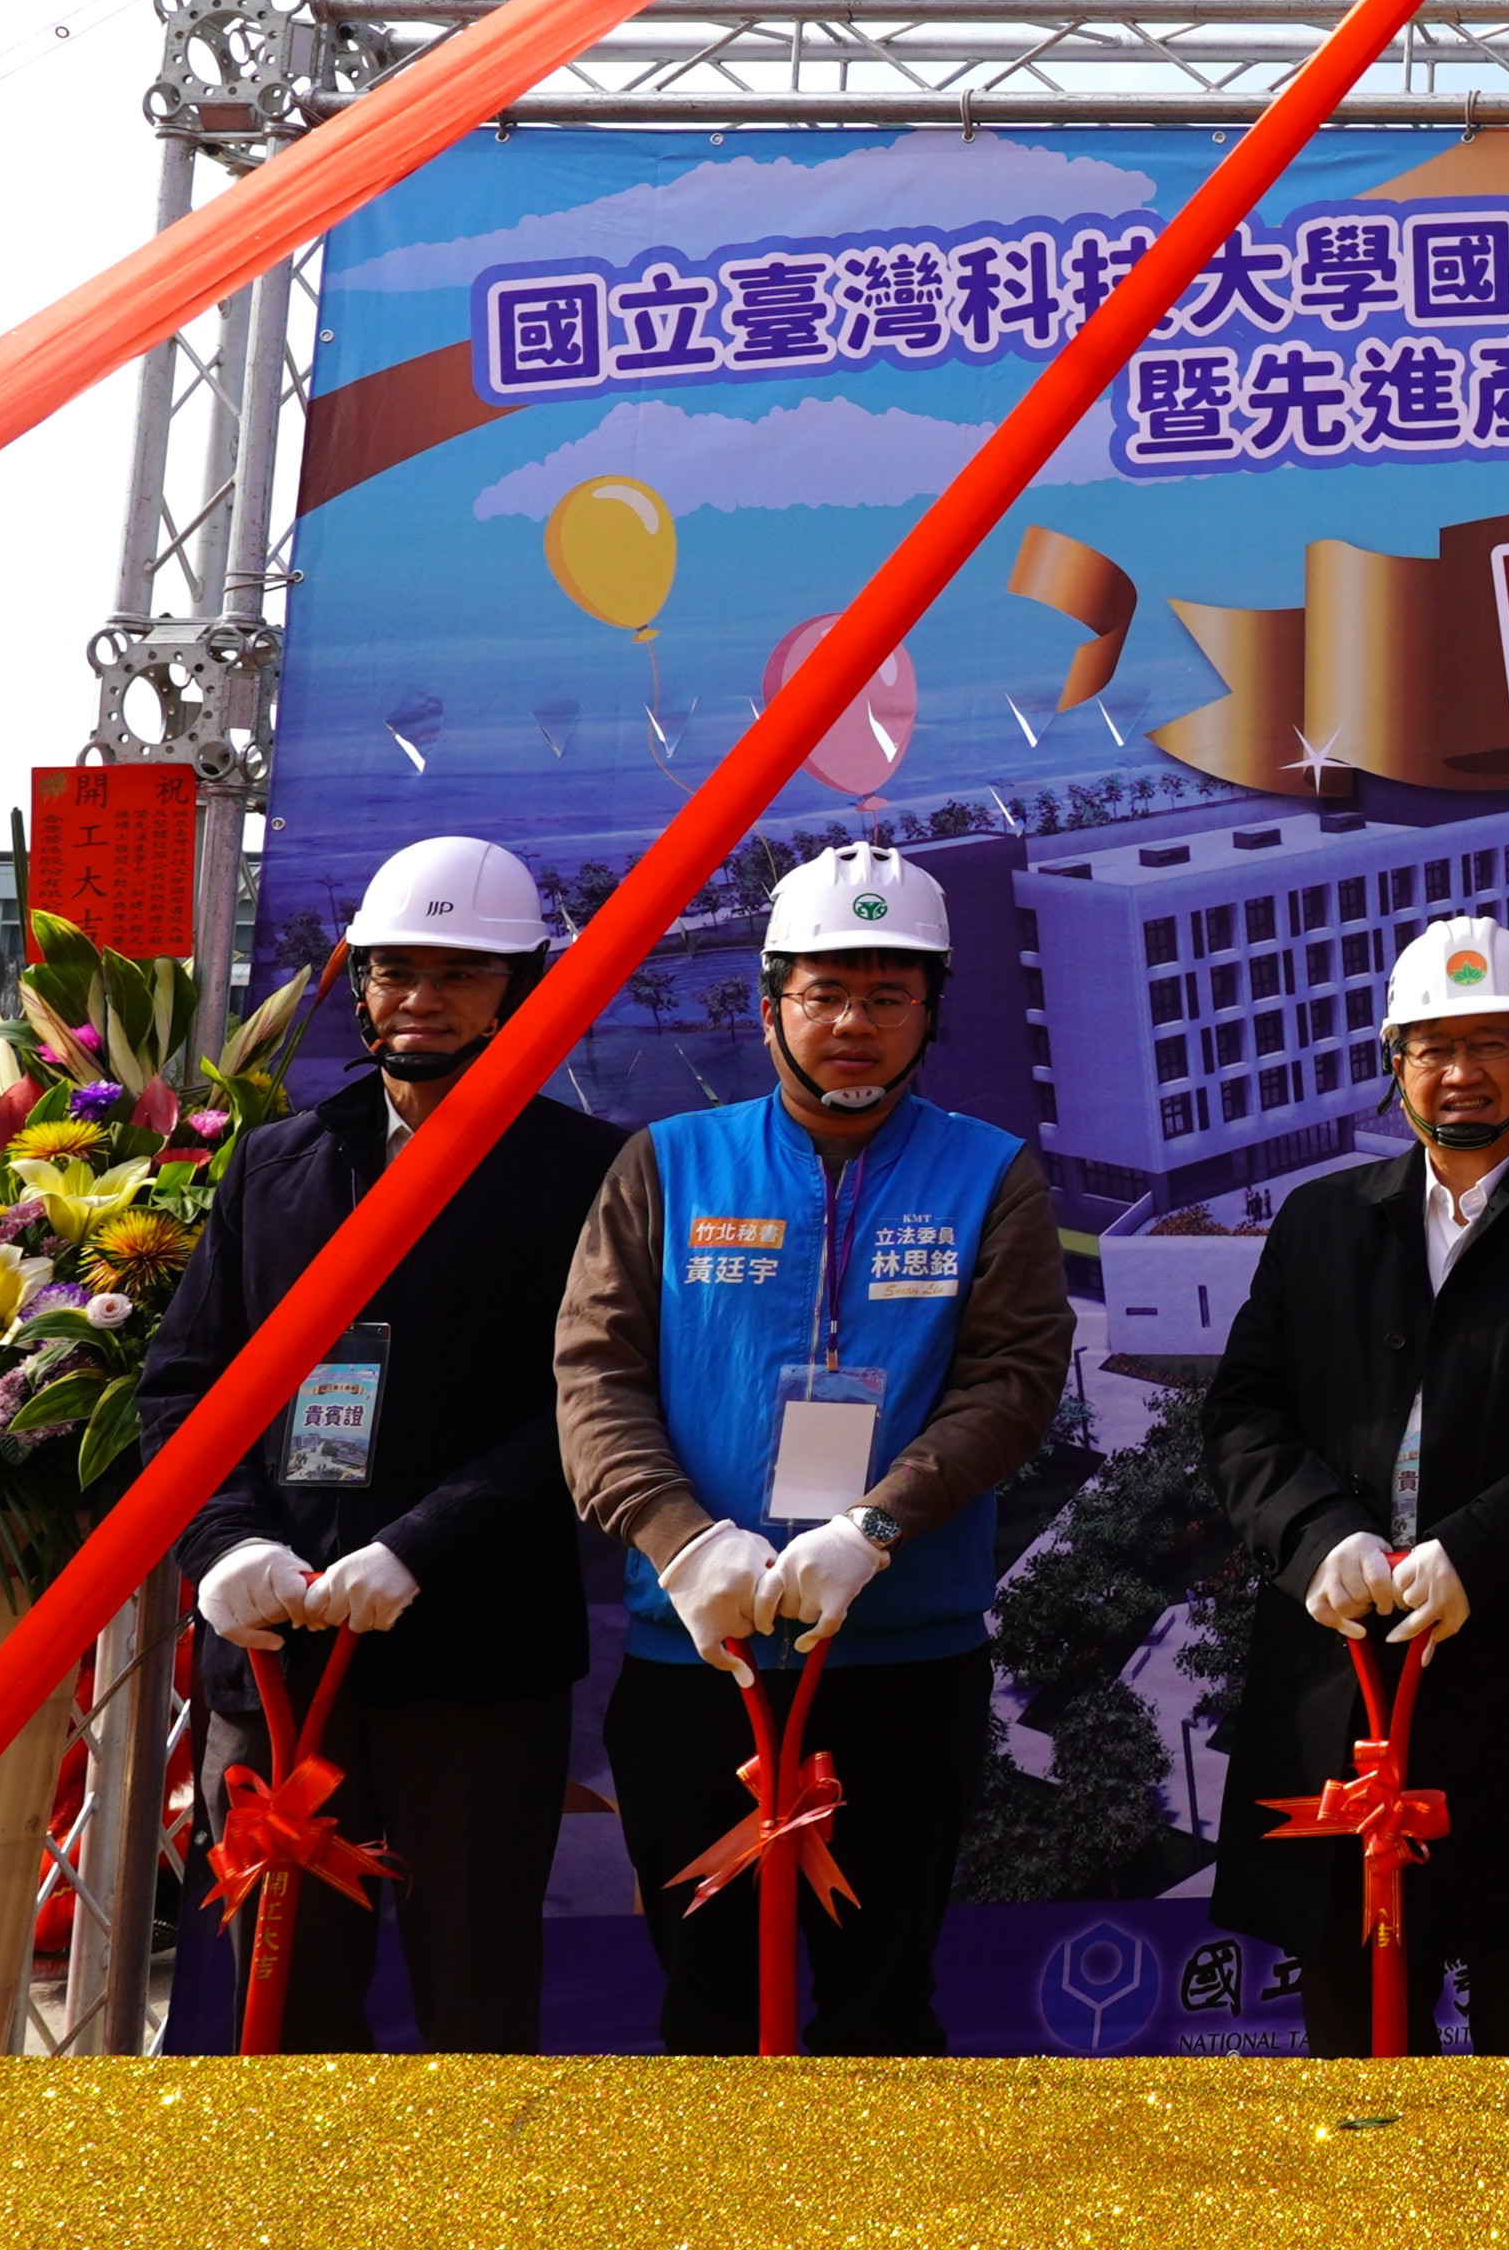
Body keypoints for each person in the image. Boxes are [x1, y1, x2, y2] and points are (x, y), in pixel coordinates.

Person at [553, 842, 1070, 2053]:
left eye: (888, 994)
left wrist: (873, 1528)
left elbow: (1011, 1381)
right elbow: (594, 1377)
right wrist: (682, 1541)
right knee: (708, 2000)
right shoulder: (668, 1163)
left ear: (930, 1011)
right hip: (700, 1658)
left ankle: (869, 2189)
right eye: (823, 991)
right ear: (770, 1003)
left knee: (881, 2003)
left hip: (902, 1660)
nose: (853, 1023)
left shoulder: (988, 1172)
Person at [141, 836, 627, 2051]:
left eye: (460, 973)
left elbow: (587, 1404)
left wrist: (420, 1547)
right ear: (357, 982)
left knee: (473, 1988)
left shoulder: (591, 1174)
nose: (420, 998)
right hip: (277, 1649)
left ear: (520, 988)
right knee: (280, 1990)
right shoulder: (275, 1164)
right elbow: (185, 1386)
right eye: (394, 969)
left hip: (473, 1655)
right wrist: (224, 1544)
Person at [1204, 910, 1509, 2058]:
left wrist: (1477, 1549)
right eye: (1432, 1045)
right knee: (1353, 2015)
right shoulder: (1322, 1221)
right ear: (1394, 1062)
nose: (1460, 1071)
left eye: (1490, 1043)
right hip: (1340, 1679)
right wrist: (1318, 1535)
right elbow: (1241, 1415)